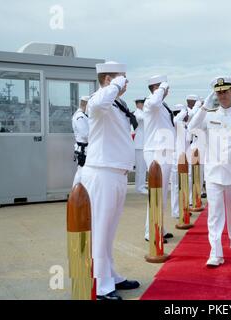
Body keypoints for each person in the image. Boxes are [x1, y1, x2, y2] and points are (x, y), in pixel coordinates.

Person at [81, 61, 139, 300]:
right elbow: (96, 103)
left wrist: (115, 86)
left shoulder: (116, 104)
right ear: (108, 80)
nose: (126, 82)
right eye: (122, 78)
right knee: (100, 230)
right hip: (102, 172)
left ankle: (110, 275)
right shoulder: (99, 101)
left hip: (117, 173)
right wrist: (115, 84)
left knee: (109, 231)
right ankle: (101, 285)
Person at [188, 76, 231, 267]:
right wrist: (203, 106)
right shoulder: (208, 115)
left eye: (226, 91)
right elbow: (191, 128)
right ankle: (215, 252)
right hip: (213, 172)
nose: (222, 95)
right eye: (219, 92)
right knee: (215, 214)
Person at [142, 75, 176, 242]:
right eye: (165, 87)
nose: (168, 90)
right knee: (156, 193)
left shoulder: (162, 105)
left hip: (165, 151)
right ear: (157, 87)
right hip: (156, 152)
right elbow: (154, 102)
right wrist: (161, 88)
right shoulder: (151, 102)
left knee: (162, 194)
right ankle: (151, 232)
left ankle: (159, 227)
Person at [72, 96, 90, 187]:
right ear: (86, 104)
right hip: (83, 150)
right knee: (81, 173)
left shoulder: (82, 115)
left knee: (83, 173)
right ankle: (75, 195)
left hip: (85, 149)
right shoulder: (80, 116)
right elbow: (85, 135)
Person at [133, 99, 148, 194]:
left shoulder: (142, 112)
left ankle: (141, 185)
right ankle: (140, 187)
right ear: (138, 104)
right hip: (139, 144)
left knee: (143, 167)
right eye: (143, 103)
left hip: (143, 144)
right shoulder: (137, 113)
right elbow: (143, 118)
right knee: (140, 168)